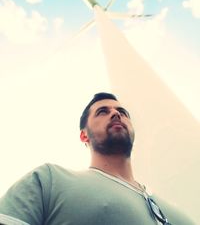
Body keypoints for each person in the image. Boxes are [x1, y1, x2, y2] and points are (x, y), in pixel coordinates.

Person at [0, 92, 195, 225]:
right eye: (103, 111)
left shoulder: (177, 212)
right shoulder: (49, 181)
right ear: (84, 135)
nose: (116, 114)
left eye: (122, 112)